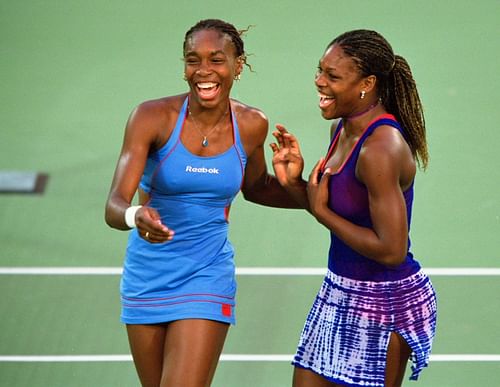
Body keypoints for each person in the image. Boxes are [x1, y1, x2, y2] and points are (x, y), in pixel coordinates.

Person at [105, 19, 300, 387]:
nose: (204, 72)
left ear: (237, 65)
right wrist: (135, 214)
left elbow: (256, 188)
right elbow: (114, 205)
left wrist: (312, 193)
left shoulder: (252, 124)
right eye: (193, 60)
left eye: (216, 60)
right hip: (147, 276)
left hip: (207, 274)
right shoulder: (151, 117)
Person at [270, 29, 437, 387]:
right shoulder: (342, 130)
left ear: (367, 83)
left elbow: (391, 251)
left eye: (333, 76)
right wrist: (293, 184)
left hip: (385, 300)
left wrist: (322, 212)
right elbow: (329, 206)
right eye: (320, 71)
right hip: (339, 290)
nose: (319, 82)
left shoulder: (381, 148)